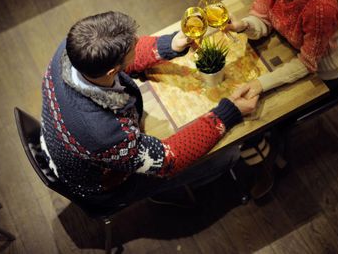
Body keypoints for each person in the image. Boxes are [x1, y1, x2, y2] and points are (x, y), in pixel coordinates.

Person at [40, 11, 259, 207]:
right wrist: (229, 113)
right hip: (105, 185)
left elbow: (124, 63)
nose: (138, 41)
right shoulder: (104, 134)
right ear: (113, 70)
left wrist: (171, 43)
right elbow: (168, 159)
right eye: (132, 46)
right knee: (227, 155)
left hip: (66, 143)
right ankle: (164, 193)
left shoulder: (72, 49)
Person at [226, 0, 338, 199]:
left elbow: (307, 64)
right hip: (287, 46)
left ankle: (270, 164)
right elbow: (264, 18)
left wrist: (260, 83)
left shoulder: (320, 7)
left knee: (262, 115)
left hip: (321, 71)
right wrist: (245, 25)